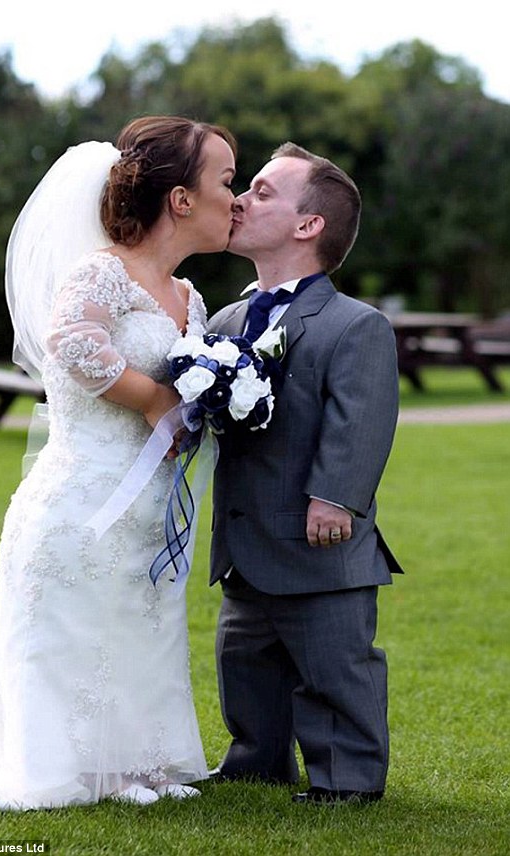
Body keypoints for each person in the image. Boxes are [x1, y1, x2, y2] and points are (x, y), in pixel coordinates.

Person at [0, 116, 236, 809]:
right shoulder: (101, 271)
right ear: (182, 199)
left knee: (138, 623)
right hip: (82, 498)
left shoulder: (191, 298)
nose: (236, 196)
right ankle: (67, 765)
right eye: (226, 181)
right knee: (75, 626)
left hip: (150, 508)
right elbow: (69, 342)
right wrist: (153, 398)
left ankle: (133, 764)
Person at [208, 142, 403, 804]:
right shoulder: (227, 320)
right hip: (246, 534)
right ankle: (256, 759)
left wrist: (335, 498)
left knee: (332, 659)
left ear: (308, 225)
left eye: (261, 191)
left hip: (318, 536)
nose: (240, 200)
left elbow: (361, 419)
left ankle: (346, 776)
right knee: (244, 656)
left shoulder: (354, 324)